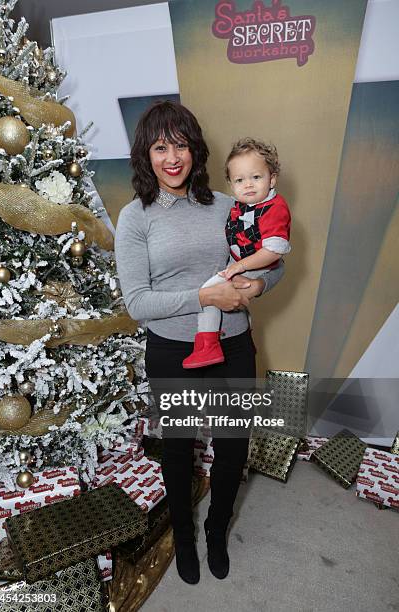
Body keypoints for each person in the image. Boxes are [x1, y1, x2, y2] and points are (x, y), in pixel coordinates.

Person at [114, 101, 284, 585]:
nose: (172, 157)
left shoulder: (230, 205)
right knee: (178, 448)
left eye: (181, 145)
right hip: (172, 350)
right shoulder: (135, 218)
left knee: (233, 446)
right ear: (145, 154)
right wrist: (204, 295)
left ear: (196, 150)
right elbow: (138, 303)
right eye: (160, 146)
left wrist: (258, 286)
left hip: (232, 345)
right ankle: (184, 536)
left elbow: (274, 260)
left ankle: (215, 531)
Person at [182, 137, 291, 368]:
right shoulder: (235, 203)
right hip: (240, 258)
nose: (248, 185)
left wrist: (242, 267)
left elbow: (274, 252)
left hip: (254, 263)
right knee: (223, 292)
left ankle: (208, 343)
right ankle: (244, 327)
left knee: (209, 291)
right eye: (240, 180)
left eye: (256, 177)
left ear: (272, 179)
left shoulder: (274, 209)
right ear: (231, 185)